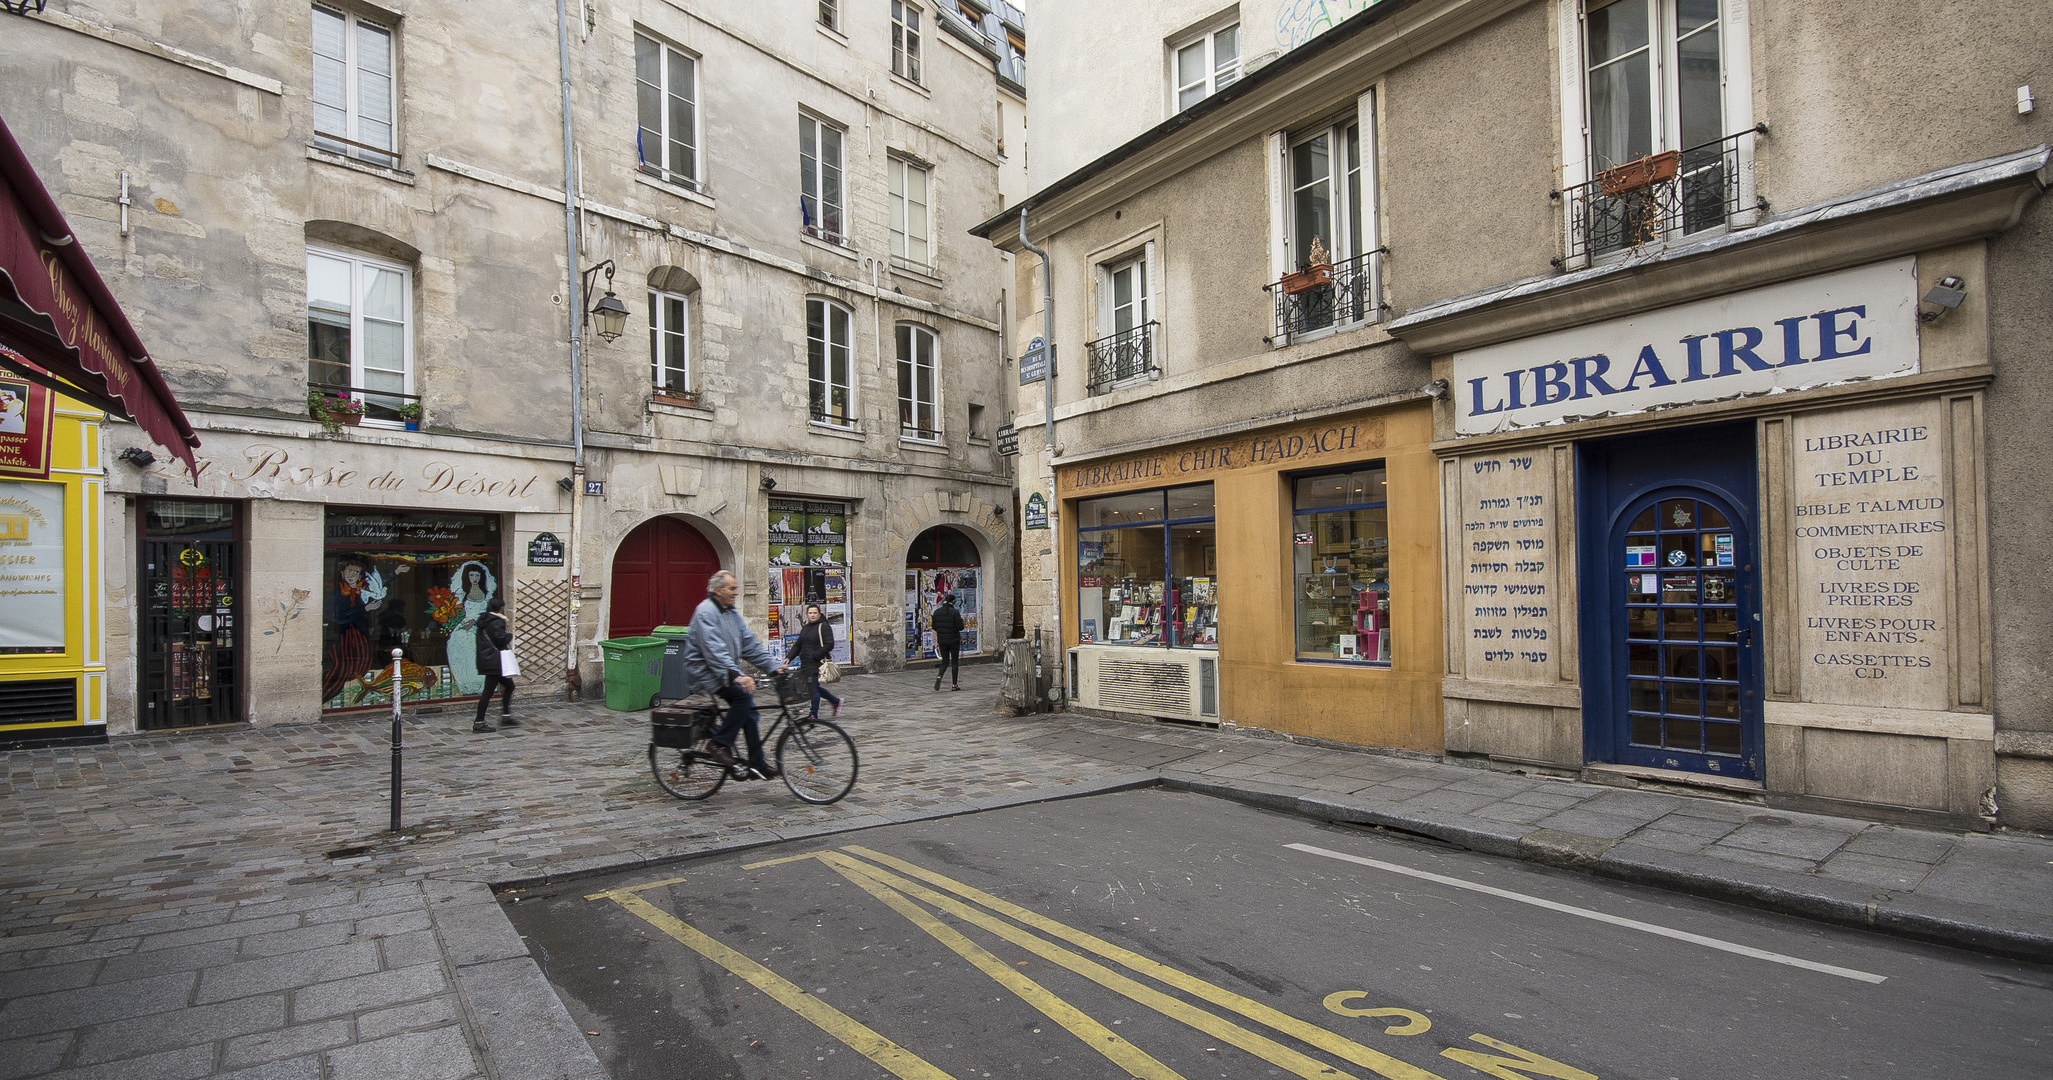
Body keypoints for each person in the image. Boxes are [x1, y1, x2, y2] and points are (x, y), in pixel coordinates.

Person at [681, 570, 787, 778]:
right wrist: (737, 676)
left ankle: (757, 764)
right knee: (741, 697)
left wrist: (773, 666)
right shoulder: (705, 612)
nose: (736, 592)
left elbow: (748, 644)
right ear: (718, 590)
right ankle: (718, 744)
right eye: (732, 588)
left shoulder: (730, 612)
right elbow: (714, 651)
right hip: (705, 671)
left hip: (723, 669)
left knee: (750, 713)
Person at [446, 561, 497, 695]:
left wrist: (474, 621)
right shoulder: (464, 592)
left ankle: (482, 684)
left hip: (480, 626)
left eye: (477, 576)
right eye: (471, 575)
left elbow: (487, 612)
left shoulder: (486, 593)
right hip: (465, 625)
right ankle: (466, 684)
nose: (474, 578)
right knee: (460, 649)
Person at [786, 603, 841, 719]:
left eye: (815, 613)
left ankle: (813, 713)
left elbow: (829, 644)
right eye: (810, 613)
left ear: (819, 614)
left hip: (816, 663)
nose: (812, 615)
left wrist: (816, 655)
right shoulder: (806, 628)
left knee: (813, 688)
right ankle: (835, 701)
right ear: (807, 615)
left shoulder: (824, 626)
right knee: (813, 686)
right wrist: (789, 658)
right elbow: (798, 645)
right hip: (806, 663)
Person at [471, 597, 518, 732]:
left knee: (509, 686)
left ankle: (506, 716)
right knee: (488, 692)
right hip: (495, 662)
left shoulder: (484, 621)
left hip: (488, 661)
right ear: (500, 608)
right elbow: (500, 638)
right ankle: (479, 722)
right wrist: (509, 636)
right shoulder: (497, 622)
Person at [929, 593, 964, 691]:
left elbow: (934, 627)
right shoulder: (955, 612)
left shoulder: (936, 612)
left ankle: (940, 675)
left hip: (942, 640)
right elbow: (960, 627)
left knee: (945, 661)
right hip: (954, 640)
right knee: (954, 662)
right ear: (953, 602)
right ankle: (954, 684)